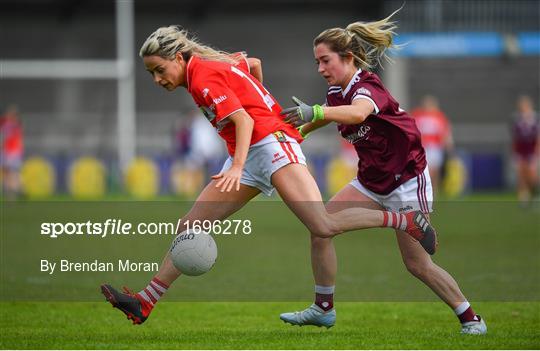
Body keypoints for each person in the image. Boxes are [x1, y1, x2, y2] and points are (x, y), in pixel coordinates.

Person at [100, 25, 437, 325]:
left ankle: (403, 221)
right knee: (190, 225)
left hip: (272, 148)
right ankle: (145, 302)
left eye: (159, 70)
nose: (158, 79)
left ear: (177, 57)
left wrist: (239, 160)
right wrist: (259, 103)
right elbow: (254, 64)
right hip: (252, 151)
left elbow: (245, 121)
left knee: (322, 225)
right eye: (152, 74)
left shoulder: (202, 77)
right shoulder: (206, 69)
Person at [278, 11, 486, 335]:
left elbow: (357, 112)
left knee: (417, 264)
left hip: (406, 180)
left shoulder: (366, 87)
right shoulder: (336, 92)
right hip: (371, 181)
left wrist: (315, 111)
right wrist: (299, 131)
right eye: (316, 62)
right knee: (320, 229)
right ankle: (323, 309)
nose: (320, 69)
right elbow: (331, 114)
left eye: (325, 60)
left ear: (347, 58)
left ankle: (471, 318)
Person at [411, 95, 454, 193]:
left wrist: (448, 145)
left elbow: (445, 132)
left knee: (435, 171)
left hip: (435, 148)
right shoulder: (417, 114)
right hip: (421, 147)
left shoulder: (439, 116)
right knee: (424, 171)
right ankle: (423, 191)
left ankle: (433, 191)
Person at [511, 95, 539, 206]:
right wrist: (513, 152)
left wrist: (537, 151)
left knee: (532, 176)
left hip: (532, 151)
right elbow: (515, 138)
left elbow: (538, 138)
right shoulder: (517, 121)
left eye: (524, 106)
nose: (522, 108)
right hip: (520, 151)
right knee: (521, 175)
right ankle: (523, 199)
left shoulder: (535, 120)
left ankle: (535, 195)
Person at [0, 105, 24, 199]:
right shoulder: (6, 123)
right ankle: (12, 191)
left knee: (12, 172)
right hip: (6, 151)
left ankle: (15, 190)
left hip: (12, 152)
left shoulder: (14, 125)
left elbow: (9, 138)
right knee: (7, 172)